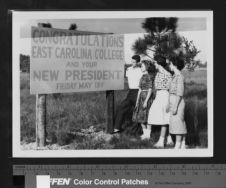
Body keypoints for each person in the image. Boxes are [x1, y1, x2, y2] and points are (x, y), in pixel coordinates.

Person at [146, 56, 173, 147]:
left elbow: (171, 89)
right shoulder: (157, 74)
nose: (154, 64)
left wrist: (169, 102)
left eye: (155, 63)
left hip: (165, 96)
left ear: (159, 63)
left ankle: (162, 141)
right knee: (154, 115)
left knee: (165, 118)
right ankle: (168, 139)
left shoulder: (168, 74)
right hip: (158, 96)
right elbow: (156, 87)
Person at [113, 55, 142, 133]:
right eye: (131, 61)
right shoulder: (128, 69)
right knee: (122, 107)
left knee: (137, 111)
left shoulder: (140, 71)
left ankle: (137, 130)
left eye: (134, 62)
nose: (132, 63)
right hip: (130, 92)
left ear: (138, 62)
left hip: (138, 91)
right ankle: (117, 127)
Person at [132, 60, 156, 138]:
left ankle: (148, 134)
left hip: (147, 98)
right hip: (141, 97)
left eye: (142, 66)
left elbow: (150, 89)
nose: (141, 67)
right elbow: (139, 90)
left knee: (147, 116)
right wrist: (137, 101)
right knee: (140, 115)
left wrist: (146, 101)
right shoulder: (142, 76)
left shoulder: (149, 76)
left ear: (146, 67)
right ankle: (145, 133)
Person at [168, 58, 187, 149]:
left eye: (170, 64)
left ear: (175, 65)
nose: (169, 66)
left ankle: (178, 145)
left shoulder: (179, 76)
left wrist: (175, 106)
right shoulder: (175, 76)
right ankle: (182, 144)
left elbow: (179, 93)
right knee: (177, 122)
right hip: (173, 101)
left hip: (177, 102)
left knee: (178, 123)